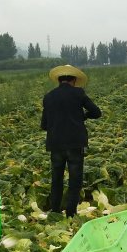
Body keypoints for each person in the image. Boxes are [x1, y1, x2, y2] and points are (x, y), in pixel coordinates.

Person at [40, 64, 102, 217]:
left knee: (57, 178)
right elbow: (96, 112)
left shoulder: (49, 97)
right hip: (75, 143)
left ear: (59, 80)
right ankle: (70, 212)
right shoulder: (78, 93)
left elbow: (44, 125)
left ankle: (55, 211)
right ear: (73, 80)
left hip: (56, 144)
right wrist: (83, 116)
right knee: (75, 179)